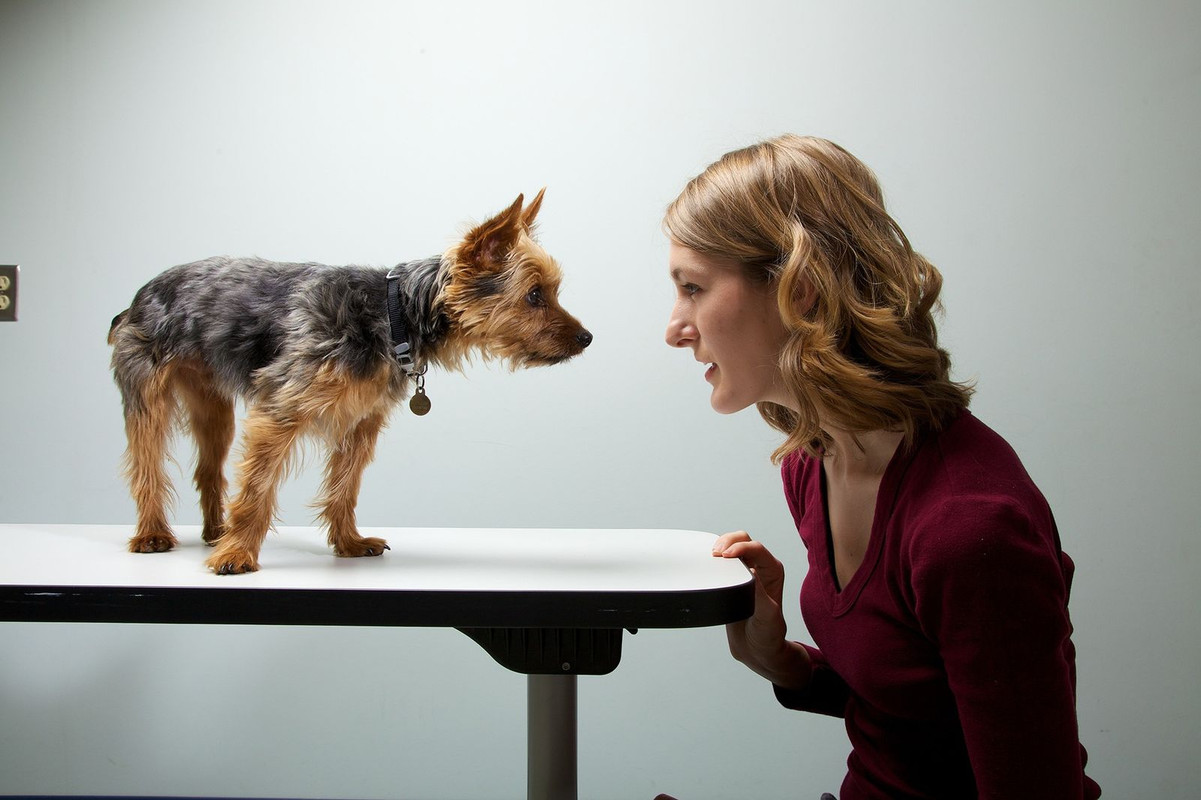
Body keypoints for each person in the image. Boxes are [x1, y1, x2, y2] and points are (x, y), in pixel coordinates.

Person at [660, 135, 1101, 799]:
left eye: (692, 288)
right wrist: (778, 661)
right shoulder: (813, 467)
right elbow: (918, 712)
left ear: (800, 292)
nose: (674, 327)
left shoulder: (969, 530)